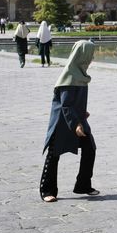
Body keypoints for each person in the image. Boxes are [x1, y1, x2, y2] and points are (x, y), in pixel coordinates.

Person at [39, 40, 98, 203]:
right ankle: (47, 190)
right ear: (82, 56)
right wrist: (76, 124)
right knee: (54, 154)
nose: (92, 58)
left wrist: (82, 113)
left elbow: (74, 101)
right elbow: (65, 105)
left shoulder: (80, 74)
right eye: (90, 55)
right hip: (62, 122)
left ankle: (83, 185)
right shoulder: (70, 75)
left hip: (76, 119)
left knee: (90, 148)